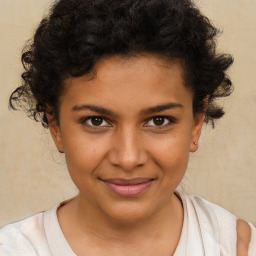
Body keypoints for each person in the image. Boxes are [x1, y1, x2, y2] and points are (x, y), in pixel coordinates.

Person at [0, 0, 255, 255]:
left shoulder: (236, 246)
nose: (128, 158)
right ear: (55, 125)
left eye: (159, 120)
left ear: (196, 123)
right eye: (96, 121)